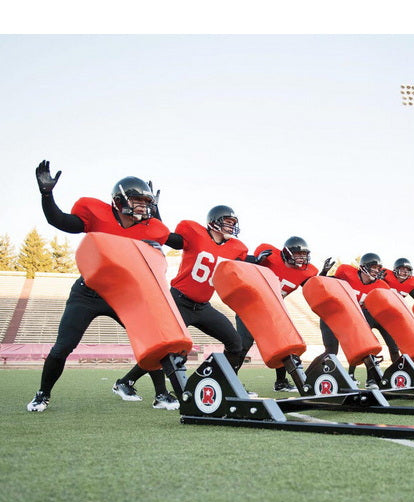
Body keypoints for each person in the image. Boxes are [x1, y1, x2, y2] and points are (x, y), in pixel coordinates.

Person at [28, 160, 181, 412]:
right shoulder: (97, 215)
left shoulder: (150, 228)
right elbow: (61, 221)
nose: (143, 207)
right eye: (137, 201)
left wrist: (159, 214)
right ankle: (42, 394)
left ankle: (162, 395)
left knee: (154, 341)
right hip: (88, 292)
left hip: (124, 297)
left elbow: (172, 240)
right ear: (119, 201)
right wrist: (47, 195)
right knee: (63, 346)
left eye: (146, 202)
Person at [113, 205, 248, 399]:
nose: (230, 227)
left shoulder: (235, 248)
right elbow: (168, 237)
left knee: (236, 343)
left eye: (233, 223)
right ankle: (126, 381)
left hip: (203, 306)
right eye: (227, 222)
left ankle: (224, 382)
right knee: (165, 349)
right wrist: (155, 214)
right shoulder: (195, 234)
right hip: (178, 302)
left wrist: (260, 262)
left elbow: (245, 263)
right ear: (213, 222)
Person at [235, 236, 320, 392]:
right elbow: (236, 261)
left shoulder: (306, 271)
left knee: (283, 344)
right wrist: (254, 260)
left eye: (304, 254)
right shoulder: (269, 257)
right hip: (250, 307)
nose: (301, 258)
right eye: (298, 254)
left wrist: (326, 273)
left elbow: (312, 285)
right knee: (242, 345)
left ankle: (281, 382)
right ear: (287, 253)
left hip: (272, 310)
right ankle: (230, 382)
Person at [319, 252, 399, 388]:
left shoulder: (381, 285)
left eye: (378, 268)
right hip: (334, 314)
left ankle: (371, 379)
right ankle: (316, 376)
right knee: (331, 350)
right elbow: (321, 283)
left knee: (368, 346)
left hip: (356, 318)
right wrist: (324, 271)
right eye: (373, 267)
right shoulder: (346, 275)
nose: (376, 271)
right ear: (363, 267)